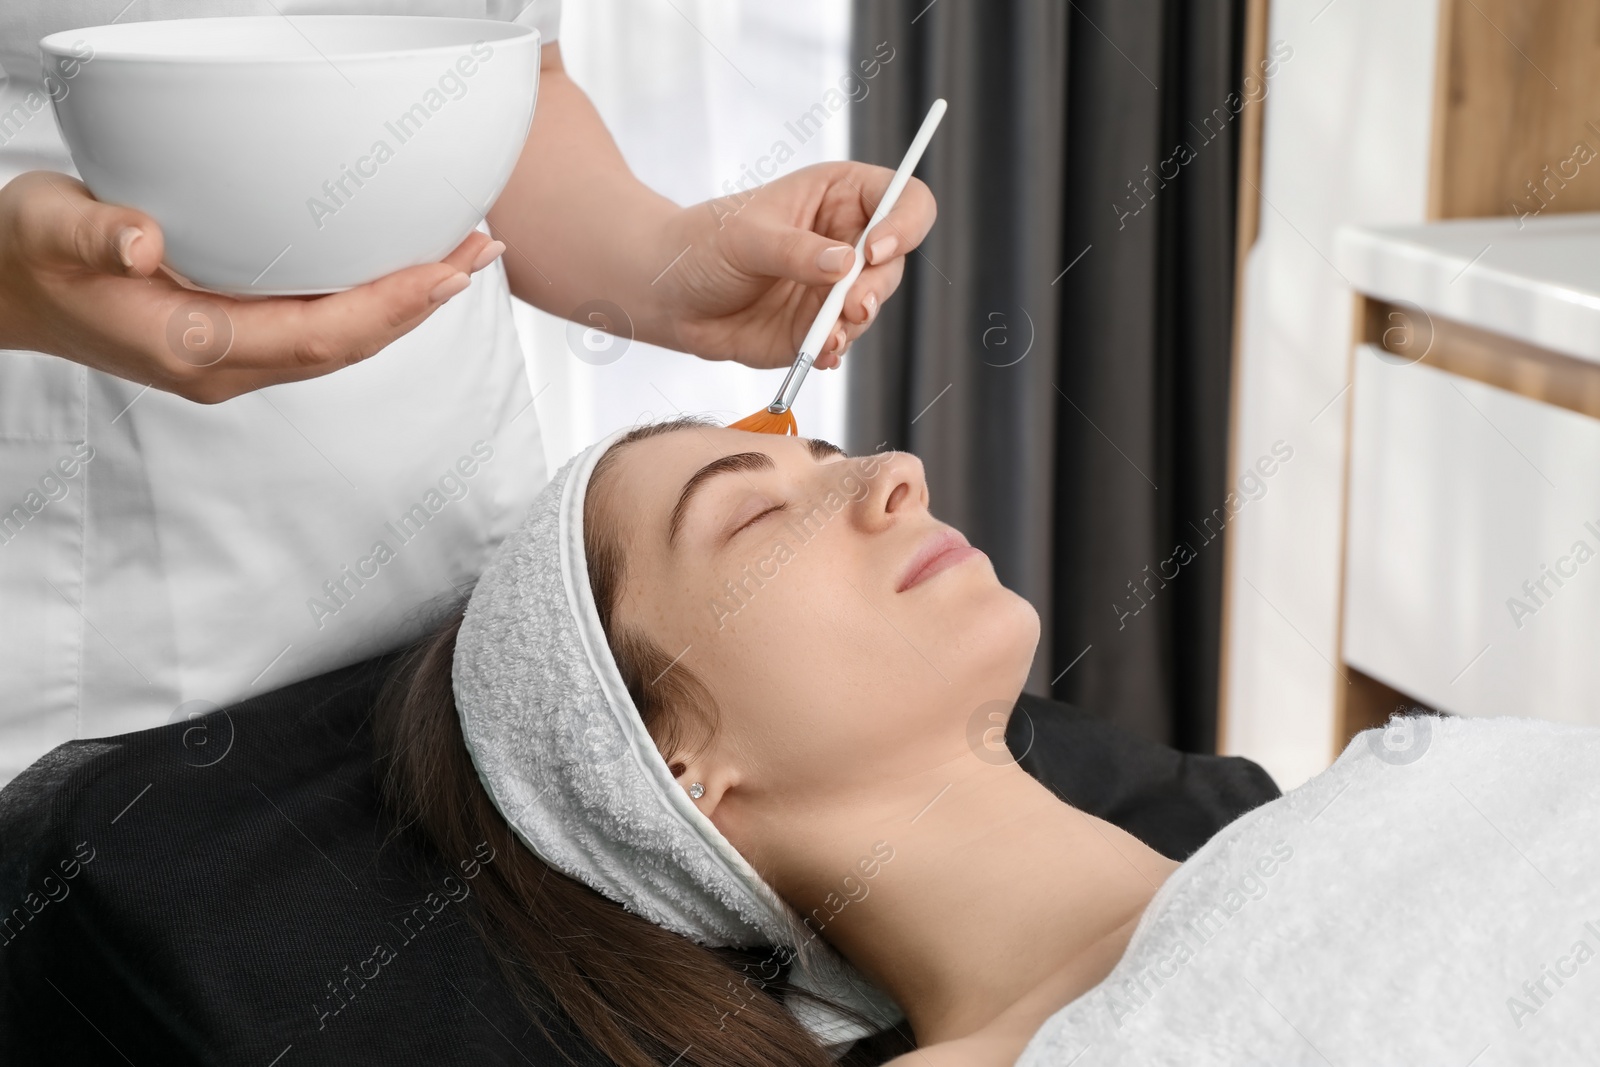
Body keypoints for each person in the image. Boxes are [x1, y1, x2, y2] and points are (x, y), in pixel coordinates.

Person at [378, 418, 1600, 1066]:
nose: (894, 473)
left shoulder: (1410, 785)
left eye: (831, 455)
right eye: (754, 511)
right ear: (672, 773)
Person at [0, 1, 934, 785]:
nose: (899, 478)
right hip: (75, 525)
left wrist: (667, 267)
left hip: (433, 534)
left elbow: (514, 74)